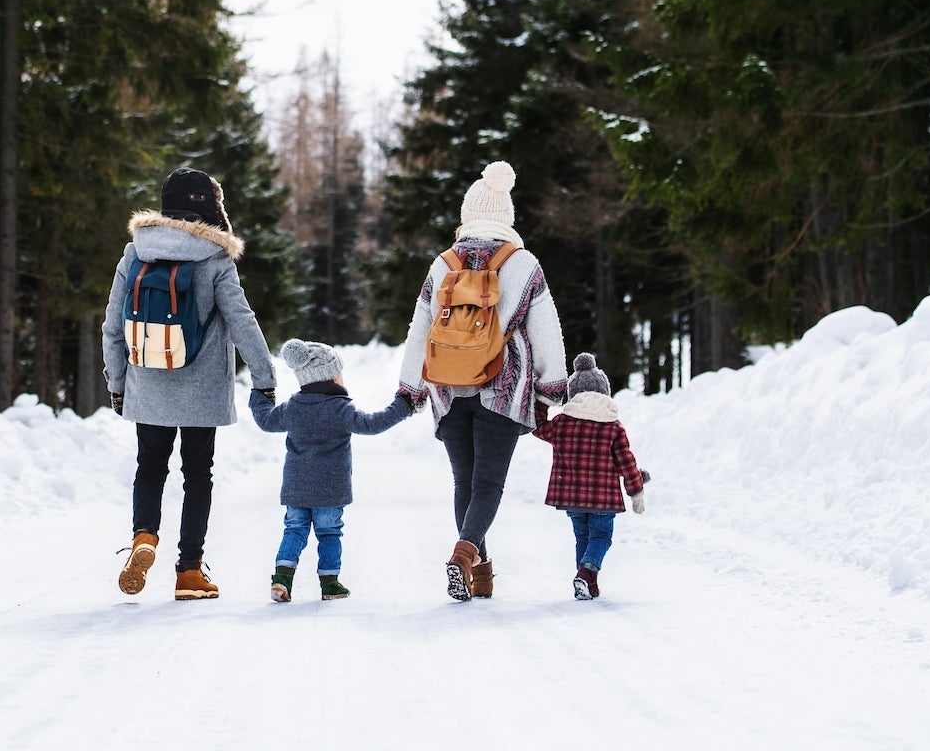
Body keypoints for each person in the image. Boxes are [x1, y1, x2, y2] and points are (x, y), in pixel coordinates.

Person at [102, 168, 277, 601]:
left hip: (147, 383)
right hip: (202, 389)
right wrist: (264, 379)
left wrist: (118, 384)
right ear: (209, 207)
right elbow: (242, 322)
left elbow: (112, 328)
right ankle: (189, 571)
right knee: (197, 475)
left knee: (150, 466)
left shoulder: (135, 253)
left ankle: (144, 536)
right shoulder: (215, 259)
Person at [397, 160, 569, 601]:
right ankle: (465, 554)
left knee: (464, 483)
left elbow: (420, 328)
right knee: (488, 484)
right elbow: (546, 330)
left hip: (448, 388)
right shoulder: (523, 263)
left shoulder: (443, 263)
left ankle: (481, 574)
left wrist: (410, 389)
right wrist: (552, 386)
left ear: (467, 216)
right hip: (503, 389)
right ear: (506, 218)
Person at [249, 339, 417, 602]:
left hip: (296, 488)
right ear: (331, 376)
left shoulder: (294, 407)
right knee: (329, 533)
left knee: (294, 530)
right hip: (330, 488)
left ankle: (281, 579)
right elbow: (372, 424)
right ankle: (330, 585)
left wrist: (259, 397)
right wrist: (403, 406)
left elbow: (266, 420)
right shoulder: (340, 408)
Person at [533, 352, 649, 601]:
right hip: (603, 499)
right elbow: (626, 462)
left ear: (573, 393)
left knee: (582, 537)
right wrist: (636, 490)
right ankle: (586, 574)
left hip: (572, 497)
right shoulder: (613, 426)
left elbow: (538, 427)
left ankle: (586, 582)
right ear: (604, 392)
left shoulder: (562, 422)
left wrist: (541, 400)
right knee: (601, 537)